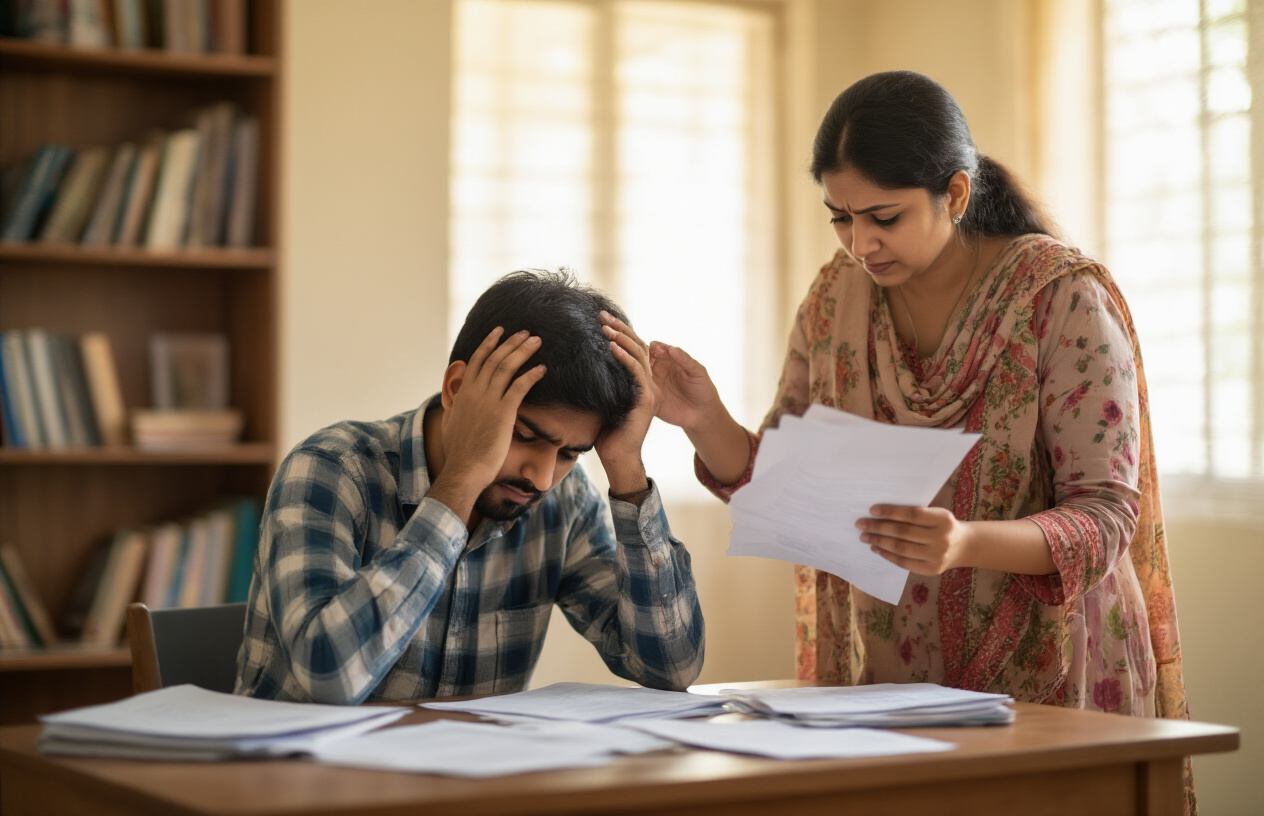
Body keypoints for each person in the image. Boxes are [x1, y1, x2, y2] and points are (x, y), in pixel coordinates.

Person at [648, 70, 1193, 807]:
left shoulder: (1060, 298)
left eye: (885, 217)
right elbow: (781, 484)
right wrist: (705, 419)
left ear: (956, 195)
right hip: (884, 690)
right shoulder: (832, 300)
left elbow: (1104, 517)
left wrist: (965, 542)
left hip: (1048, 689)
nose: (860, 243)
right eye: (840, 218)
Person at [236, 269, 705, 704]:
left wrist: (626, 467)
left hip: (468, 788)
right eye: (525, 436)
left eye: (570, 453)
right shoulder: (330, 469)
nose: (541, 477)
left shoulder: (565, 499)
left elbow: (672, 668)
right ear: (458, 390)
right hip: (305, 786)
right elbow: (330, 675)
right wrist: (461, 482)